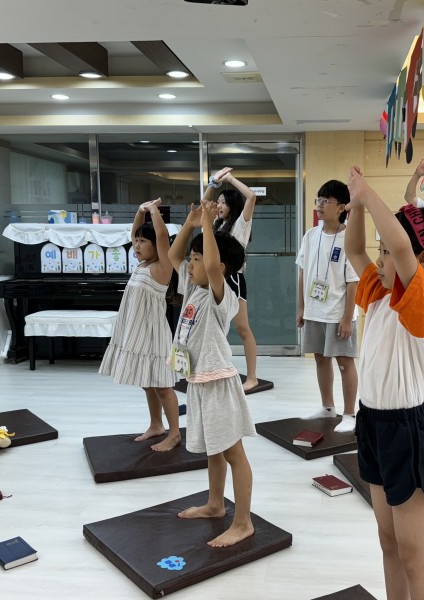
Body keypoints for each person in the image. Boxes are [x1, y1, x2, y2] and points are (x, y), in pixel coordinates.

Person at [345, 166, 424, 600]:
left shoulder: (422, 302)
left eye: (390, 255)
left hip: (408, 432)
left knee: (416, 554)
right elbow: (356, 249)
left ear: (422, 262)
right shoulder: (380, 295)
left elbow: (398, 243)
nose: (380, 260)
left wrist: (368, 191)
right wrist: (356, 206)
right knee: (389, 542)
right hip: (373, 426)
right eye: (383, 254)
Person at [168, 198, 256, 548]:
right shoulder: (192, 289)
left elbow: (216, 267)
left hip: (218, 382)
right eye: (192, 259)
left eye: (197, 258)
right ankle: (215, 504)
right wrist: (190, 224)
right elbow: (174, 257)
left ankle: (243, 523)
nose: (190, 264)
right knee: (213, 451)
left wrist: (208, 224)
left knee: (233, 453)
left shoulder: (224, 295)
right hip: (197, 383)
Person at [99, 198, 181, 452]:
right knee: (147, 382)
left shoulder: (162, 266)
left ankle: (175, 433)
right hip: (136, 332)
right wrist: (139, 211)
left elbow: (163, 235)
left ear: (155, 245)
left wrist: (154, 212)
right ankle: (156, 425)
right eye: (136, 240)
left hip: (153, 334)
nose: (136, 244)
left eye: (143, 241)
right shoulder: (141, 265)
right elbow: (134, 232)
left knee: (162, 385)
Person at [296, 180, 360, 433]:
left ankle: (350, 413)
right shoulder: (311, 235)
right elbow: (303, 272)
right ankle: (327, 406)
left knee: (344, 362)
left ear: (341, 207)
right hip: (314, 310)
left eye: (326, 201)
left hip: (338, 312)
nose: (320, 205)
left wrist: (347, 319)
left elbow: (353, 282)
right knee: (320, 359)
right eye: (318, 200)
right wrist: (301, 308)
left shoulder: (349, 238)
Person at [207, 166, 261, 392]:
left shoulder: (241, 224)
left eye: (223, 202)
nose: (218, 206)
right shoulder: (216, 224)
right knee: (214, 328)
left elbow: (251, 196)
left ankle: (252, 377)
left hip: (233, 280)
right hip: (215, 279)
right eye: (218, 202)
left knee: (242, 328)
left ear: (232, 206)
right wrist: (213, 183)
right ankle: (214, 371)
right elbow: (203, 206)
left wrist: (230, 179)